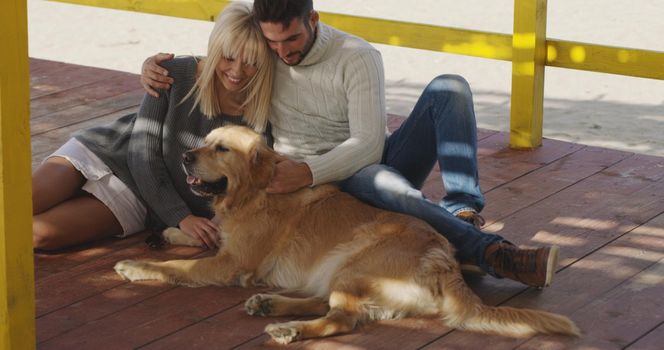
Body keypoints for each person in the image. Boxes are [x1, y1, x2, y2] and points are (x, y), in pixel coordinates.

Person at [140, 0, 559, 288]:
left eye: (291, 41)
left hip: (363, 163)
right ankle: (487, 251)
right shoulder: (266, 52)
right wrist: (157, 68)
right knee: (384, 185)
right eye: (272, 43)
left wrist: (308, 171)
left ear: (314, 20)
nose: (282, 52)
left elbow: (368, 143)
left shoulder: (356, 56)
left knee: (449, 89)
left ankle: (464, 215)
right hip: (306, 186)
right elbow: (227, 58)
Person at [32, 2, 274, 251]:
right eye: (229, 57)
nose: (237, 71)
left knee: (35, 235)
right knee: (16, 207)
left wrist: (182, 218)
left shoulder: (267, 115)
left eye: (251, 62)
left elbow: (250, 185)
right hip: (104, 151)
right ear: (215, 49)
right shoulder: (172, 73)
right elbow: (142, 154)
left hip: (139, 198)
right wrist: (181, 217)